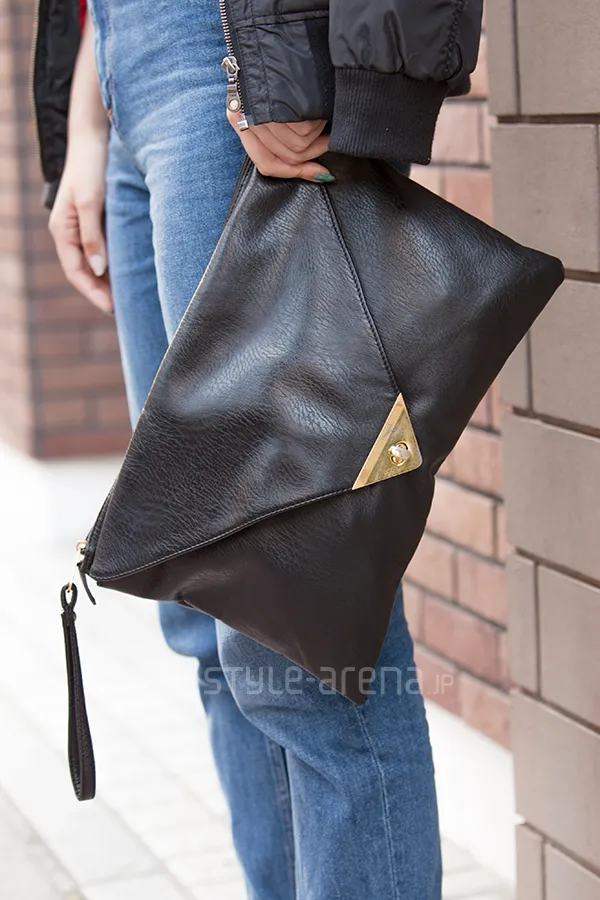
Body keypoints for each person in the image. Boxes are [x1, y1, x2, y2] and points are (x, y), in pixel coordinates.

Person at [34, 2, 483, 897]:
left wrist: (302, 71)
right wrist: (88, 115)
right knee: (209, 607)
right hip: (127, 74)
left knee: (298, 619)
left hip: (231, 58)